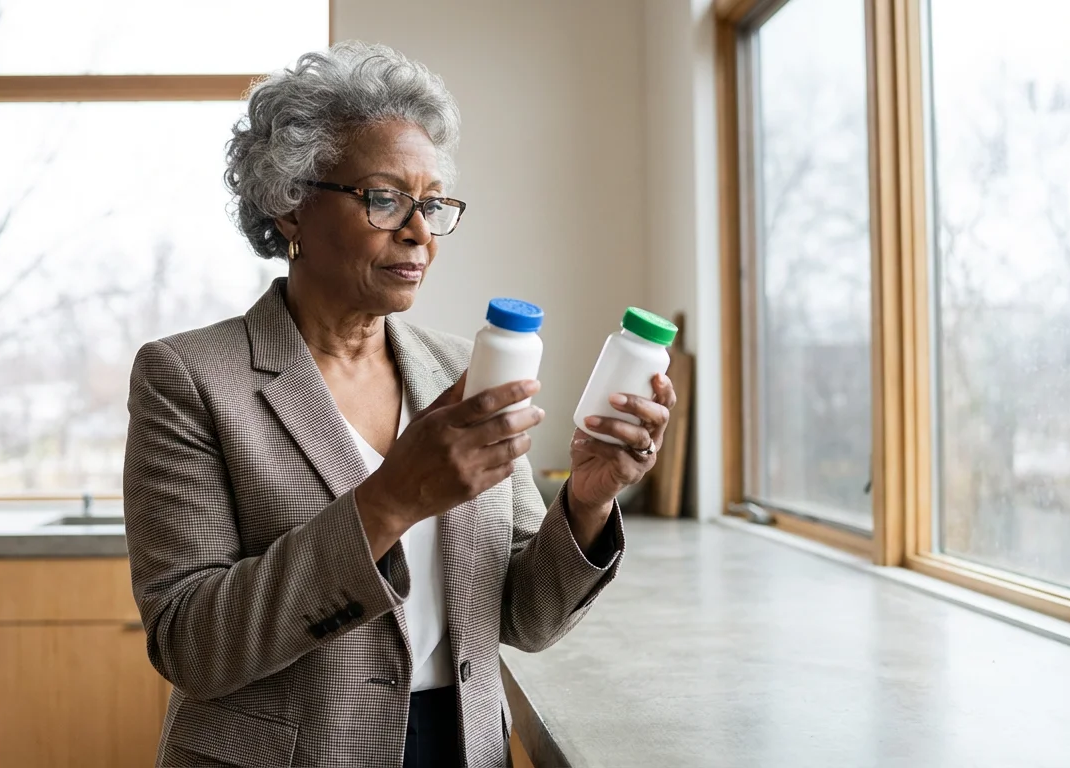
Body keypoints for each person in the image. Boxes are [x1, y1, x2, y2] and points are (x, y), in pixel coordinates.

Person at [124, 41, 676, 768]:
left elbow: (524, 617)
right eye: (384, 199)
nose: (419, 231)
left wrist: (587, 503)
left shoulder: (460, 368)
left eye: (433, 203)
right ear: (290, 207)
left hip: (459, 746)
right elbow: (191, 644)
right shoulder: (188, 378)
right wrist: (390, 498)